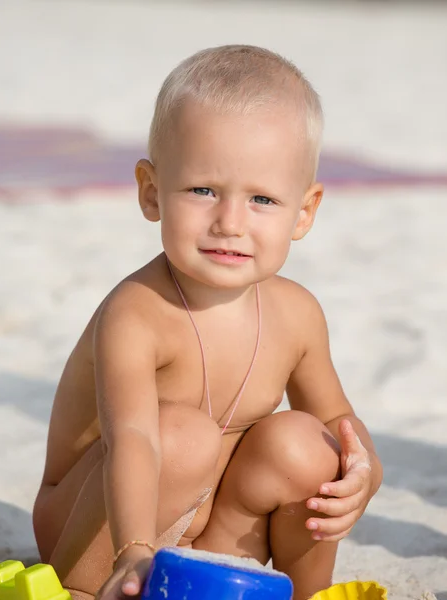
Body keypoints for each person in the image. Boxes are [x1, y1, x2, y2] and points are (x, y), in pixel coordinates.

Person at [32, 45, 383, 600]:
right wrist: (132, 552)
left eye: (263, 199)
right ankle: (88, 590)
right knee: (183, 437)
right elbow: (135, 440)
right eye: (203, 190)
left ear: (305, 211)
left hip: (216, 526)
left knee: (310, 444)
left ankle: (306, 594)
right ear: (151, 192)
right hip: (97, 529)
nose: (230, 222)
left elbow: (339, 419)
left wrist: (364, 477)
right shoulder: (137, 312)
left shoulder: (297, 314)